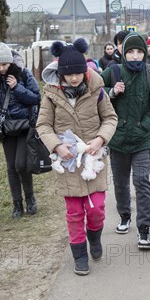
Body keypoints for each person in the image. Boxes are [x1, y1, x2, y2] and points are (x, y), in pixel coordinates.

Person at [36, 38, 117, 276]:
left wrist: (100, 139)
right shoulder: (50, 95)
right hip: (68, 162)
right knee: (73, 212)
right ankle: (79, 254)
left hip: (94, 160)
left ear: (85, 70)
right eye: (68, 75)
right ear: (60, 74)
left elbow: (111, 118)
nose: (74, 78)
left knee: (96, 209)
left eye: (78, 73)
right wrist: (57, 146)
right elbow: (43, 125)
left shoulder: (98, 91)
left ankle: (95, 236)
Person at [101, 33, 150, 249]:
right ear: (123, 53)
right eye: (130, 52)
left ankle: (144, 228)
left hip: (141, 139)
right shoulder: (113, 71)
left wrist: (145, 125)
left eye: (139, 52)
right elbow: (95, 93)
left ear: (144, 53)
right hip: (117, 138)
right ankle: (125, 215)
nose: (135, 56)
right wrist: (112, 92)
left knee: (142, 182)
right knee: (120, 182)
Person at [0, 42, 41, 218]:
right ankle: (17, 204)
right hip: (6, 128)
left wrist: (17, 87)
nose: (1, 68)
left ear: (10, 62)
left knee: (21, 165)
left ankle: (30, 198)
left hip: (24, 126)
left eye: (4, 65)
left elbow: (36, 98)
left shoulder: (23, 74)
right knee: (11, 167)